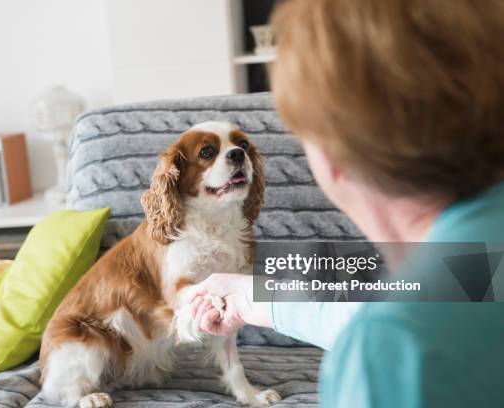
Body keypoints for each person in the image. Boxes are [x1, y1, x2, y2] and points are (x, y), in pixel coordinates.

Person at [188, 0, 504, 407]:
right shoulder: (477, 259)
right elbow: (454, 293)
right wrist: (262, 300)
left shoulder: (390, 354)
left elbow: (405, 332)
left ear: (333, 156)